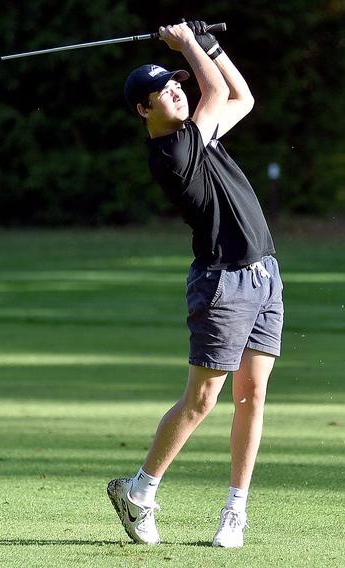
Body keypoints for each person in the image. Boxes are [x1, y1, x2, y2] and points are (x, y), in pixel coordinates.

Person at [108, 20, 284, 549]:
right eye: (163, 92)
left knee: (252, 395)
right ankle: (139, 490)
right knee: (202, 399)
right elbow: (214, 92)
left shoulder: (200, 135)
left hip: (265, 274)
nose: (175, 92)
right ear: (144, 110)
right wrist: (185, 42)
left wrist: (208, 45)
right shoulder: (175, 152)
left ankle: (236, 511)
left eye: (176, 84)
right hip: (222, 282)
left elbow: (241, 97)